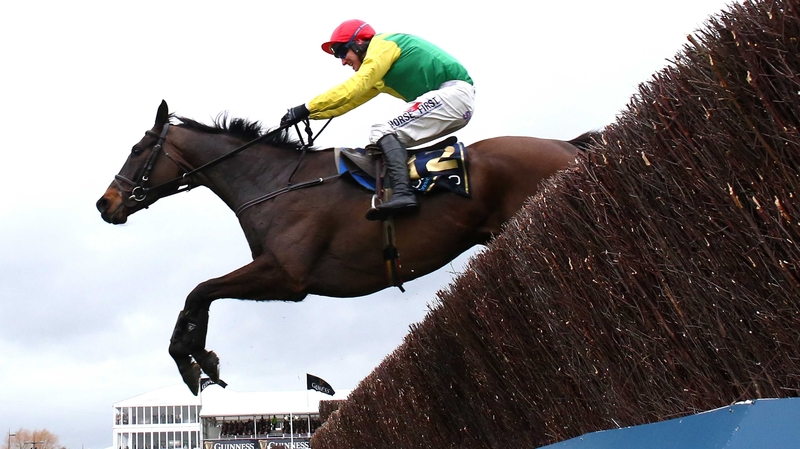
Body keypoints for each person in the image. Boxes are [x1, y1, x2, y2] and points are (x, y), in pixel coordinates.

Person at [280, 19, 475, 220]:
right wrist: (309, 115)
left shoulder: (382, 45)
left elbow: (353, 88)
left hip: (454, 95)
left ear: (359, 42)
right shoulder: (379, 73)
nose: (342, 61)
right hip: (449, 101)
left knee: (382, 131)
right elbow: (350, 101)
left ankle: (403, 193)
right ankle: (413, 187)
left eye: (341, 52)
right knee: (384, 138)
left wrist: (305, 107)